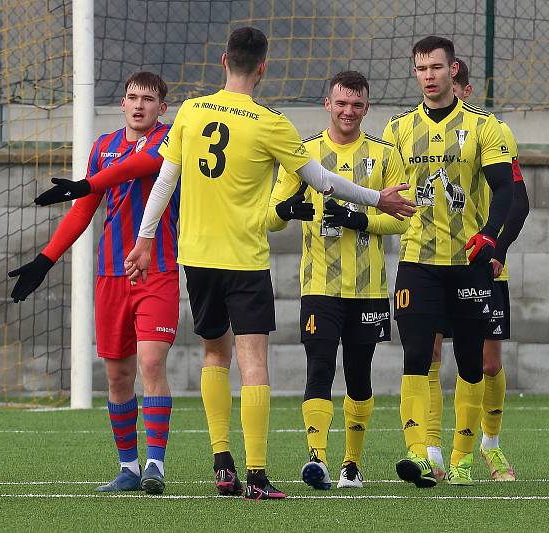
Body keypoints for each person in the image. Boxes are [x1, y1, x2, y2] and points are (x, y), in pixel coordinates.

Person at [123, 27, 414, 500]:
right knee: (252, 362)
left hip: (196, 257)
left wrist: (145, 240)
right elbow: (322, 181)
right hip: (244, 258)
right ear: (262, 67)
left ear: (223, 61)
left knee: (213, 355)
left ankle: (222, 463)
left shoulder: (191, 111)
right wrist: (376, 197)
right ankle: (256, 476)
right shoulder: (270, 123)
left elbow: (164, 181)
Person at [8, 72, 179, 494]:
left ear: (162, 107)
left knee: (152, 364)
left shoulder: (173, 139)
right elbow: (84, 210)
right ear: (122, 103)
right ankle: (129, 468)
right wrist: (45, 260)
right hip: (111, 274)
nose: (140, 105)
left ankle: (155, 464)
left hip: (158, 268)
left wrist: (87, 183)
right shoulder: (102, 146)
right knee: (118, 376)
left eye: (149, 99)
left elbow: (140, 166)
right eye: (133, 97)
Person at [267, 71, 409, 490]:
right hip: (319, 287)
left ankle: (352, 464)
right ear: (327, 104)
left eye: (357, 105)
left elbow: (402, 217)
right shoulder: (304, 153)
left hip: (368, 288)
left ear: (367, 108)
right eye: (341, 103)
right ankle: (318, 459)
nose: (348, 111)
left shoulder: (384, 154)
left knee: (360, 373)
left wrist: (358, 216)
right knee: (319, 368)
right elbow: (271, 217)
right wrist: (290, 210)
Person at [382, 36, 513, 487]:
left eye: (436, 67)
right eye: (421, 69)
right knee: (417, 354)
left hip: (469, 261)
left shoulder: (482, 126)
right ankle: (421, 454)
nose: (429, 76)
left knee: (473, 361)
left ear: (453, 69)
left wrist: (490, 238)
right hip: (417, 260)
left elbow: (507, 190)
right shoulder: (397, 129)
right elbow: (389, 191)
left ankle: (462, 459)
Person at [425, 58, 530, 482]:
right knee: (428, 355)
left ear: (465, 90)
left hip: (481, 265)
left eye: (464, 89)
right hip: (432, 265)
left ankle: (490, 445)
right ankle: (432, 454)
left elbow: (519, 201)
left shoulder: (493, 132)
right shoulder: (420, 134)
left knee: (487, 363)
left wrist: (498, 248)